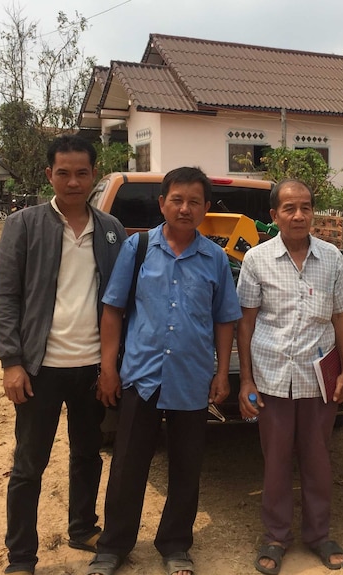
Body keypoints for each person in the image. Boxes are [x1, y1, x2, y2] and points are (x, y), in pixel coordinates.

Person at [86, 167, 241, 575]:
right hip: (141, 377)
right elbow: (113, 310)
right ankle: (113, 547)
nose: (185, 208)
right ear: (162, 204)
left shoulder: (216, 260)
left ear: (206, 208)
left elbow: (225, 319)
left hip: (192, 379)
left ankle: (175, 545)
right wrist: (108, 368)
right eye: (177, 199)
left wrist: (222, 373)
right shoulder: (137, 249)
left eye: (194, 201)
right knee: (127, 468)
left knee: (187, 469)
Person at [0, 135, 127, 575]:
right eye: (63, 173)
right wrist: (11, 361)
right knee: (29, 465)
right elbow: (5, 297)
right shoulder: (24, 225)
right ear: (49, 175)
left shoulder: (110, 229)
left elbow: (119, 302)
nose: (72, 181)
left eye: (81, 172)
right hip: (39, 370)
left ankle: (83, 527)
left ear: (94, 174)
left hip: (91, 369)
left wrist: (111, 366)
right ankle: (21, 557)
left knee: (88, 454)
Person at [237, 178, 343, 574]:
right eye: (289, 208)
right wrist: (246, 380)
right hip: (272, 377)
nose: (299, 215)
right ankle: (275, 536)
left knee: (317, 458)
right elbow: (246, 323)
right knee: (275, 461)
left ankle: (319, 534)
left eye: (305, 207)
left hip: (318, 379)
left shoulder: (333, 258)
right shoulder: (257, 259)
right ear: (274, 216)